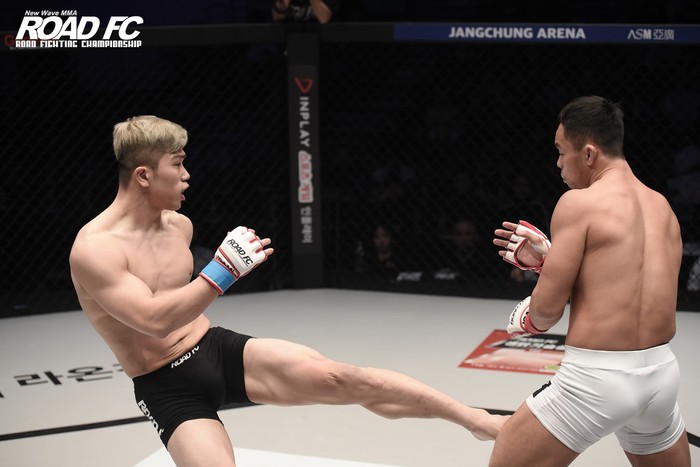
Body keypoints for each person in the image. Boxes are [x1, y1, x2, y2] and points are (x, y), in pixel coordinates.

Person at [69, 115, 506, 467]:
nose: (187, 175)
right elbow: (152, 320)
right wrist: (222, 272)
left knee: (348, 379)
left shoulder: (178, 226)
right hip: (165, 385)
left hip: (216, 350)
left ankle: (478, 421)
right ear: (144, 175)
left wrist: (218, 274)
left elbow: (181, 305)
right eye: (177, 164)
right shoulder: (95, 249)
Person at [491, 96, 691, 467]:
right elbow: (626, 281)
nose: (557, 162)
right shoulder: (663, 207)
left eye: (560, 151)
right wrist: (550, 262)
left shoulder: (578, 203)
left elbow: (546, 313)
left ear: (588, 154)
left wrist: (528, 317)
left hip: (596, 380)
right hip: (660, 376)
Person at [271, 0, 339, 24]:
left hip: (324, 43)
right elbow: (276, 16)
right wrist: (284, 5)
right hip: (292, 40)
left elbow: (324, 18)